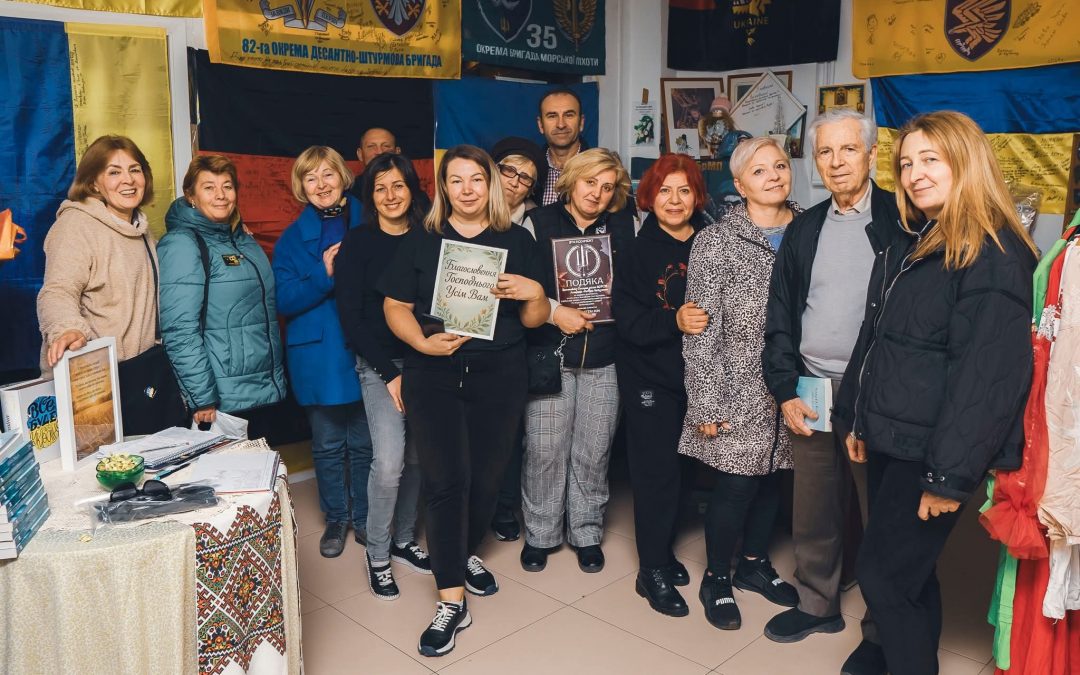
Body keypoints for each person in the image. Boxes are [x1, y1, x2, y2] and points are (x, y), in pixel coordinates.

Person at [835, 111, 1036, 675]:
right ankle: (895, 656)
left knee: (883, 576)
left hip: (930, 449)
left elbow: (989, 378)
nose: (915, 174)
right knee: (906, 572)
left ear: (966, 162)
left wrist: (949, 476)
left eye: (931, 159)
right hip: (893, 435)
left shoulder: (993, 251)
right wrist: (856, 416)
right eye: (905, 163)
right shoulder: (920, 237)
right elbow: (876, 336)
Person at [379, 144, 548, 657]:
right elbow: (393, 305)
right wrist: (418, 342)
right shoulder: (422, 240)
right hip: (434, 372)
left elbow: (537, 319)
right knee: (446, 480)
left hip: (501, 374)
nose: (468, 189)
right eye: (457, 180)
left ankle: (463, 550)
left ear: (491, 185)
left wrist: (533, 292)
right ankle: (450, 599)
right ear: (443, 187)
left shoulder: (517, 240)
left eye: (477, 179)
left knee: (487, 478)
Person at [761, 109, 904, 674]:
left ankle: (880, 628)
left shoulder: (904, 217)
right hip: (813, 384)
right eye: (825, 152)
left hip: (876, 389)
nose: (836, 162)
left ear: (871, 154)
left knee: (879, 510)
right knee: (815, 504)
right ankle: (818, 604)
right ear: (814, 160)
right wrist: (783, 388)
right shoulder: (805, 227)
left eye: (848, 150)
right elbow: (780, 316)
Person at [680, 137, 802, 630]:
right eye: (759, 171)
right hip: (737, 383)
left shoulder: (809, 230)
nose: (773, 176)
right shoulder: (716, 241)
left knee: (775, 474)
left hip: (794, 384)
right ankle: (717, 577)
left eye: (779, 165)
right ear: (739, 184)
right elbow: (701, 327)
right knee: (735, 485)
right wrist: (705, 401)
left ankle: (754, 564)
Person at [518, 148, 634, 574]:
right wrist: (552, 309)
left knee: (593, 449)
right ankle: (541, 533)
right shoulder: (538, 223)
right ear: (571, 180)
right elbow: (521, 288)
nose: (597, 194)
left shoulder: (625, 225)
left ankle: (586, 531)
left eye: (607, 187)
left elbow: (636, 287)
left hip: (606, 357)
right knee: (545, 449)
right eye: (590, 183)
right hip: (551, 354)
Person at [611, 154, 708, 617]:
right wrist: (675, 320)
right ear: (649, 196)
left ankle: (664, 552)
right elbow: (627, 321)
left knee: (686, 472)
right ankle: (649, 570)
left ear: (696, 197)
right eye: (665, 191)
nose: (674, 200)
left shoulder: (711, 242)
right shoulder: (636, 250)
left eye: (684, 190)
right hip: (651, 377)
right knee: (656, 474)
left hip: (702, 381)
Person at [335, 152, 432, 598]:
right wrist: (390, 373)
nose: (391, 195)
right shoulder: (358, 242)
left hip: (428, 360)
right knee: (390, 462)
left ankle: (404, 540)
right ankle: (377, 555)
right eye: (380, 188)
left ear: (411, 188)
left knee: (418, 459)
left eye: (398, 185)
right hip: (379, 365)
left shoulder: (431, 237)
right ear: (370, 196)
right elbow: (352, 319)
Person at [272, 146, 375, 560]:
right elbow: (285, 299)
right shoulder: (291, 240)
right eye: (310, 178)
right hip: (318, 354)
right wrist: (325, 273)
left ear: (343, 177)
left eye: (328, 175)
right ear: (301, 187)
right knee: (329, 442)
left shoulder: (372, 220)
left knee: (367, 441)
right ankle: (337, 518)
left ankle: (367, 517)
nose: (321, 185)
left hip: (367, 346)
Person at [158, 155, 286, 432]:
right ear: (191, 195)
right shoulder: (182, 244)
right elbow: (179, 330)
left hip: (257, 391)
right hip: (218, 401)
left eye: (227, 186)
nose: (220, 195)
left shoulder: (241, 239)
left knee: (261, 473)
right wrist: (202, 397)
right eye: (209, 187)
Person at [37, 135, 159, 374]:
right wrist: (66, 329)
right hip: (90, 379)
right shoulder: (76, 225)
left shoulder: (143, 231)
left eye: (135, 169)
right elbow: (58, 290)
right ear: (94, 184)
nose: (128, 180)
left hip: (136, 374)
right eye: (114, 172)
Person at [487, 135, 546, 543]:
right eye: (509, 170)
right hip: (461, 343)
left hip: (514, 340)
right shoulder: (456, 220)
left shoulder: (530, 231)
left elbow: (543, 296)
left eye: (525, 178)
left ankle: (505, 508)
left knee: (509, 433)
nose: (514, 181)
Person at [536, 88, 587, 206]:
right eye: (552, 116)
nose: (561, 124)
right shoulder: (529, 170)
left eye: (569, 115)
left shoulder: (603, 169)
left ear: (581, 122)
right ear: (540, 125)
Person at [349, 127, 401, 202]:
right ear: (360, 154)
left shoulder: (409, 187)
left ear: (397, 152)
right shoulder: (351, 192)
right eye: (371, 147)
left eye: (386, 146)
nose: (379, 152)